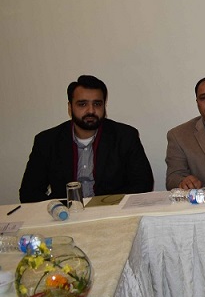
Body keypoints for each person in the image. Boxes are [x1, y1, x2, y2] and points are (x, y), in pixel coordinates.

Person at [20, 75, 154, 203]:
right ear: (70, 107)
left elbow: (143, 184)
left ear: (104, 106)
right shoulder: (47, 141)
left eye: (97, 104)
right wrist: (58, 209)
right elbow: (29, 193)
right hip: (65, 214)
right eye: (82, 104)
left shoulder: (125, 136)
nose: (91, 110)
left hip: (110, 211)